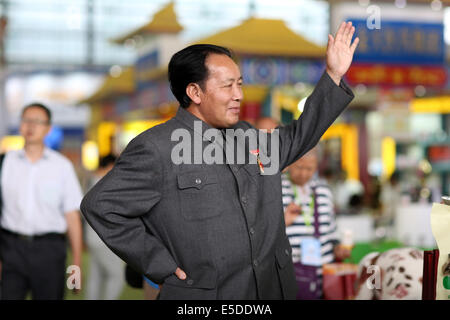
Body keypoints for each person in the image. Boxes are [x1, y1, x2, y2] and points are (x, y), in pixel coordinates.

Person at [81, 21, 359, 300]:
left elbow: (301, 135)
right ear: (195, 92)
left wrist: (333, 76)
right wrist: (159, 264)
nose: (238, 94)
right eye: (227, 86)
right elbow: (102, 206)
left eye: (239, 84)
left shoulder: (250, 137)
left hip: (271, 290)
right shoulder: (156, 148)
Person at [0, 103, 83, 300]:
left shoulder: (62, 167)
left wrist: (76, 263)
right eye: (26, 120)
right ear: (20, 126)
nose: (31, 126)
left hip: (50, 251)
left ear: (48, 128)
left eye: (37, 121)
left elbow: (72, 216)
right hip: (10, 249)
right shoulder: (5, 163)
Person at [282, 147, 351, 299]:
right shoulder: (276, 189)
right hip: (290, 273)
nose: (304, 174)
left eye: (310, 168)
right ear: (289, 163)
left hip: (324, 273)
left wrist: (337, 247)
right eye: (299, 167)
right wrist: (283, 222)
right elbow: (265, 232)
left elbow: (331, 230)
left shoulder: (323, 190)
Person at [84, 154, 125, 300]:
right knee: (117, 276)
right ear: (109, 166)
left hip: (94, 237)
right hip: (104, 238)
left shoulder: (92, 181)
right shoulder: (103, 183)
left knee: (96, 276)